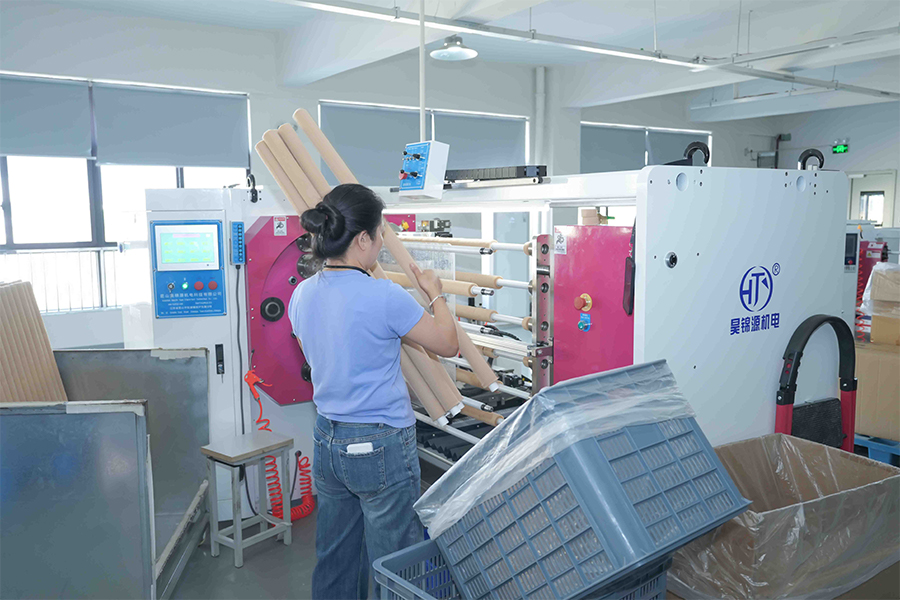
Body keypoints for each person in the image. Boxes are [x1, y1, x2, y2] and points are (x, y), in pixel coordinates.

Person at [288, 183, 459, 600]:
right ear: (362, 239)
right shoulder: (384, 295)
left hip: (328, 439)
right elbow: (447, 344)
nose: (381, 244)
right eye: (380, 234)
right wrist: (435, 292)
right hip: (381, 443)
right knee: (395, 563)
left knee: (335, 558)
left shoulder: (302, 293)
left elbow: (323, 352)